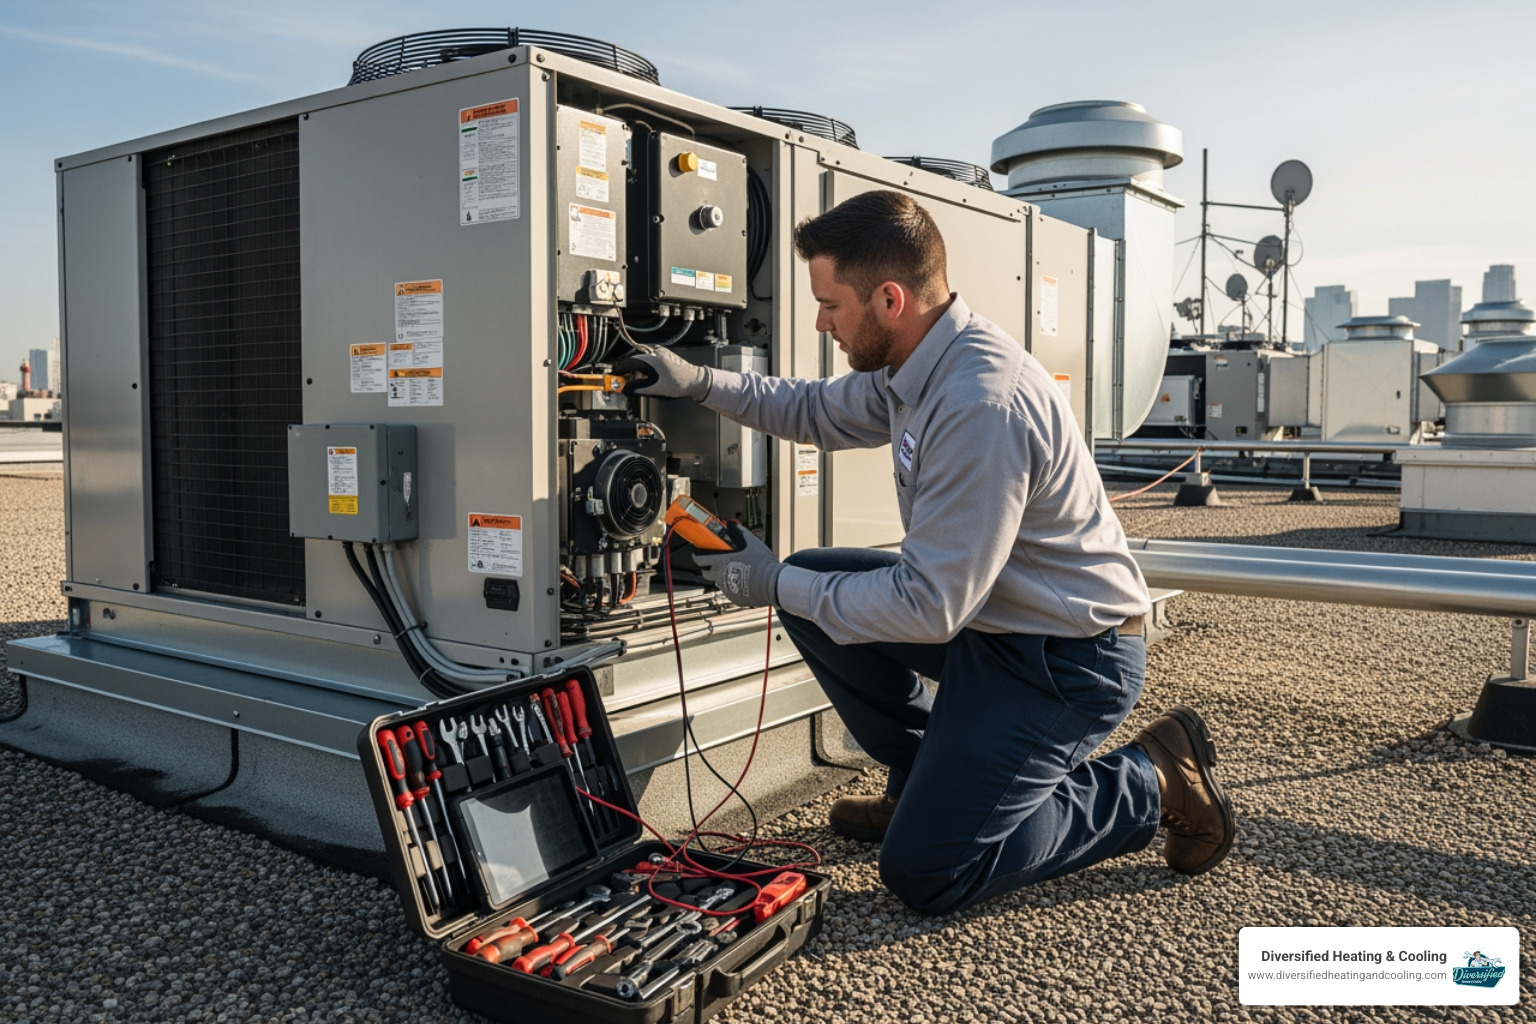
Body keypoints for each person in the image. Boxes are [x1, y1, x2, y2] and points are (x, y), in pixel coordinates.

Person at [618, 190, 1235, 916]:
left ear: (888, 299)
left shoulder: (980, 403)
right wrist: (696, 381)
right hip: (998, 628)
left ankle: (1152, 781)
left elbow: (929, 606)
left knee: (926, 869)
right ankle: (925, 783)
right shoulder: (917, 365)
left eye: (830, 305)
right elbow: (814, 409)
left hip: (1066, 661)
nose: (820, 322)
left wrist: (772, 584)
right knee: (817, 584)